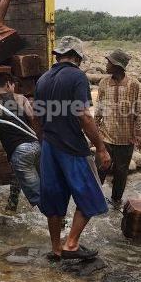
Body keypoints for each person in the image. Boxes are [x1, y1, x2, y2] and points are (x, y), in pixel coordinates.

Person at [35, 35, 111, 260]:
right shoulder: (77, 77)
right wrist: (101, 147)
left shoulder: (43, 79)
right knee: (91, 196)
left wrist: (43, 142)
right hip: (71, 146)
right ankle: (71, 244)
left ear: (58, 55)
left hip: (49, 146)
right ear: (77, 57)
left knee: (54, 201)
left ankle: (56, 248)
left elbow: (36, 118)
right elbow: (83, 116)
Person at [0, 72, 42, 210]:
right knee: (42, 183)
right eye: (13, 86)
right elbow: (34, 119)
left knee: (38, 196)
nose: (14, 89)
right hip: (37, 146)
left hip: (20, 152)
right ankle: (12, 205)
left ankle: (60, 223)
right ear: (8, 84)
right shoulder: (21, 99)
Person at [95, 49, 141, 206]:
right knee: (100, 169)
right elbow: (99, 110)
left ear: (117, 65)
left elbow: (139, 111)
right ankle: (94, 199)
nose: (106, 65)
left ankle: (116, 201)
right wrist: (94, 132)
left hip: (125, 138)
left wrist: (138, 134)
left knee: (121, 173)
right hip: (105, 136)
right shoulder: (103, 83)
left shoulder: (133, 84)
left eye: (109, 62)